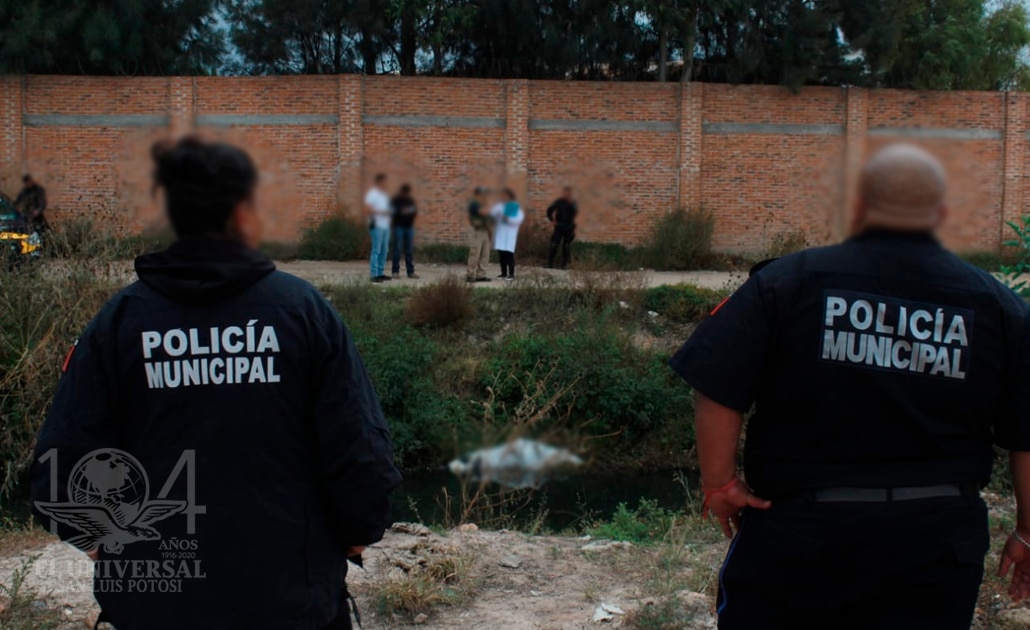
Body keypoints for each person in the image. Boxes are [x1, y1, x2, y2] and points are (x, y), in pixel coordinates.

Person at [30, 136, 402, 630]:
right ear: (245, 212)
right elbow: (360, 450)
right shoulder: (302, 312)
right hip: (290, 602)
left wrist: (109, 548)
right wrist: (357, 531)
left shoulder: (121, 322)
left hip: (156, 605)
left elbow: (59, 462)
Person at [668, 143, 1030, 629]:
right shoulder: (998, 306)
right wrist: (1026, 530)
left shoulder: (788, 281)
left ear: (857, 206)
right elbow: (1026, 433)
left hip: (801, 534)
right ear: (941, 213)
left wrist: (720, 482)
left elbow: (716, 379)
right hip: (936, 541)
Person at [365, 173, 392, 283]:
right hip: (376, 225)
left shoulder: (384, 195)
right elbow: (367, 209)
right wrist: (382, 212)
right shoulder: (372, 194)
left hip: (385, 226)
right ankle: (374, 274)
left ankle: (380, 273)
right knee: (376, 250)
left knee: (384, 250)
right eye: (384, 181)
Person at [491, 189, 524, 280]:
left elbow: (519, 219)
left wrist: (508, 219)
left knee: (509, 255)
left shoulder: (515, 207)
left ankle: (511, 273)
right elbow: (493, 215)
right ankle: (504, 273)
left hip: (509, 234)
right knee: (501, 255)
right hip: (500, 234)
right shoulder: (499, 206)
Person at [390, 184, 419, 279]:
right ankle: (395, 271)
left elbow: (414, 211)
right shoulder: (396, 200)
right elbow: (394, 212)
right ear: (402, 192)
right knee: (397, 250)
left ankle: (410, 272)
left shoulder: (410, 200)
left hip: (409, 227)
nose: (406, 195)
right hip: (399, 227)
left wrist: (406, 212)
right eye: (405, 193)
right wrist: (403, 212)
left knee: (409, 251)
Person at [546, 186, 577, 270]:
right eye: (565, 193)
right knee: (554, 245)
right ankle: (550, 263)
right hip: (559, 227)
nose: (566, 195)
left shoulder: (573, 202)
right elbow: (549, 211)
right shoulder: (558, 202)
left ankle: (565, 264)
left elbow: (577, 214)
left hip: (569, 227)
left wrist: (574, 227)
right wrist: (552, 220)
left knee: (566, 246)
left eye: (568, 193)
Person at [466, 186, 492, 283]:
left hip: (485, 230)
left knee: (485, 254)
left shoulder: (484, 203)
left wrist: (490, 232)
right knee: (475, 253)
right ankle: (470, 274)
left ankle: (481, 275)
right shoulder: (474, 203)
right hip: (477, 231)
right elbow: (483, 212)